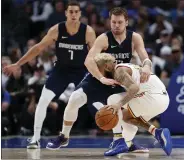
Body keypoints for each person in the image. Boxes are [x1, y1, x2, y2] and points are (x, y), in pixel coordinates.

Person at [46, 7, 151, 156]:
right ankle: (64, 136)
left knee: (118, 111)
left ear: (126, 22)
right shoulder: (104, 38)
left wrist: (147, 66)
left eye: (120, 22)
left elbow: (144, 56)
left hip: (119, 80)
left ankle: (127, 142)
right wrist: (101, 78)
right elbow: (88, 60)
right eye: (113, 22)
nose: (116, 25)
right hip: (98, 78)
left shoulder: (134, 38)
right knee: (73, 100)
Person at [3, 0, 96, 149]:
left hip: (81, 70)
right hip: (61, 70)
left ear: (80, 14)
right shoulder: (57, 29)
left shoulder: (88, 31)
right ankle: (35, 138)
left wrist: (101, 75)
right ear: (66, 13)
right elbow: (38, 48)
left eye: (76, 12)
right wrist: (18, 64)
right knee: (43, 101)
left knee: (96, 100)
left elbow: (96, 55)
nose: (73, 14)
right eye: (70, 12)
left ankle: (119, 136)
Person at [94, 53, 172, 156]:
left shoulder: (119, 72)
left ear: (107, 67)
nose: (98, 73)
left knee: (112, 100)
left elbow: (134, 89)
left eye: (99, 69)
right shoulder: (123, 68)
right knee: (126, 119)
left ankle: (118, 140)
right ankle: (154, 133)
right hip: (162, 100)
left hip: (152, 97)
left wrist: (119, 104)